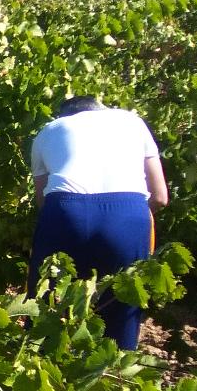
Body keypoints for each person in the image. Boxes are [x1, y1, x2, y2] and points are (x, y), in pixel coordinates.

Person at [29, 96, 169, 350]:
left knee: (47, 310)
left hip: (65, 211)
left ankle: (42, 374)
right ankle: (111, 381)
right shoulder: (132, 122)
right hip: (127, 213)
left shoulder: (48, 131)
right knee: (121, 312)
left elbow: (43, 203)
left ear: (63, 116)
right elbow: (160, 197)